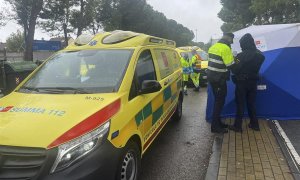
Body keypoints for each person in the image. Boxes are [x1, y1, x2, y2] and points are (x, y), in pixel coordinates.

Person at [229, 33, 265, 132]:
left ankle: (237, 126)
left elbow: (235, 70)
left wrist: (234, 59)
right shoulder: (260, 55)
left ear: (244, 44)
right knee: (251, 104)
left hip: (241, 83)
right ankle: (255, 125)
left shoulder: (240, 56)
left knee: (240, 104)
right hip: (253, 82)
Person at [207, 32, 236, 133]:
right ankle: (215, 127)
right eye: (231, 40)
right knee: (219, 102)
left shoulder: (213, 46)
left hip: (212, 78)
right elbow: (230, 65)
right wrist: (236, 60)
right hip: (219, 79)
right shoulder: (225, 48)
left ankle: (218, 122)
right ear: (228, 38)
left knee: (217, 101)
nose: (231, 42)